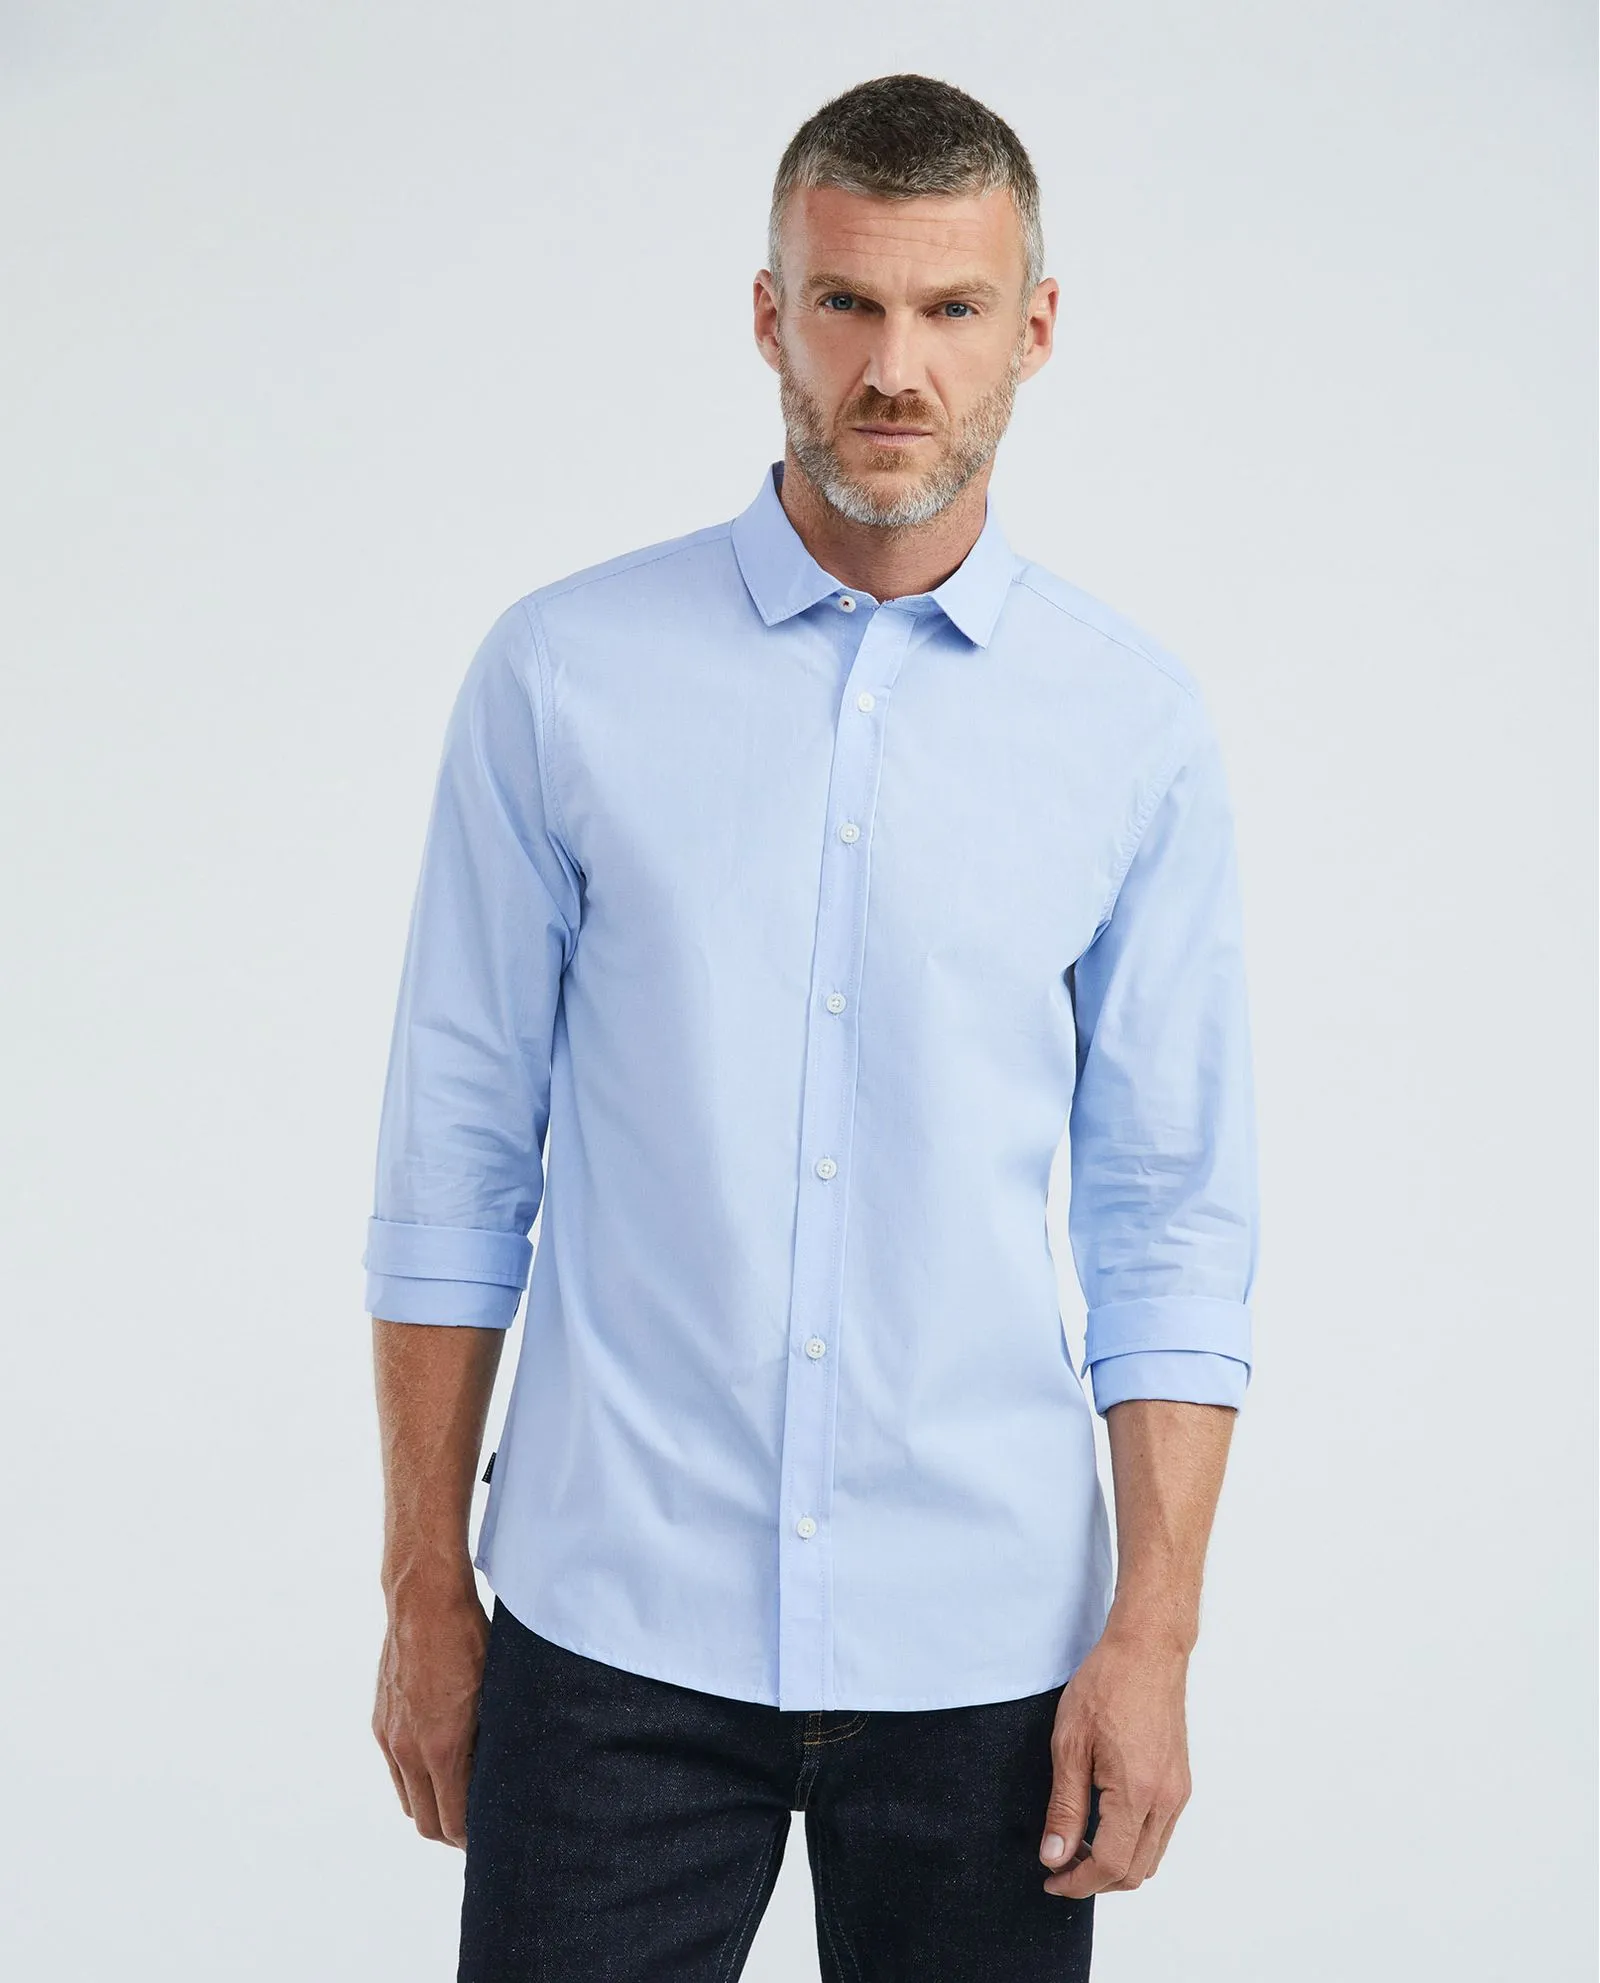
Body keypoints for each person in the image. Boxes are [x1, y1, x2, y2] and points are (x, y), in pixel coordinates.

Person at [363, 70, 1259, 1983]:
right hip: (613, 1628)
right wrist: (423, 1582)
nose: (893, 368)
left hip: (991, 1653)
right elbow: (455, 1161)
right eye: (846, 301)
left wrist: (1158, 1631)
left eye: (950, 308)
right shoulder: (564, 676)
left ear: (1035, 328)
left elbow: (1170, 1220)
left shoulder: (1130, 731)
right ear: (770, 314)